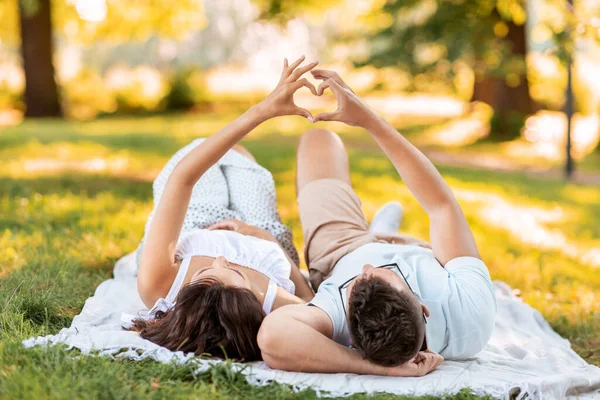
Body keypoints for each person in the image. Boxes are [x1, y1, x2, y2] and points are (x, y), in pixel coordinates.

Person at [258, 69, 497, 376]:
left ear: (352, 340)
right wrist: (369, 120)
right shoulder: (472, 313)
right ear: (424, 308)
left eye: (360, 280)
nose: (367, 268)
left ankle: (381, 230)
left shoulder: (337, 317)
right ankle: (385, 231)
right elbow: (439, 205)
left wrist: (374, 368)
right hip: (422, 253)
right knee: (430, 242)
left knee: (318, 141)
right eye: (379, 275)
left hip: (341, 250)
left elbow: (271, 338)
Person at [129, 56, 319, 362]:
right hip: (263, 241)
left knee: (198, 149)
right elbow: (312, 300)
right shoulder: (280, 306)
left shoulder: (157, 284)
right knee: (244, 163)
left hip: (196, 222)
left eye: (205, 272)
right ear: (253, 302)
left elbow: (183, 179)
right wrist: (265, 239)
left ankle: (222, 150)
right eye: (232, 271)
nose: (220, 258)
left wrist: (262, 112)